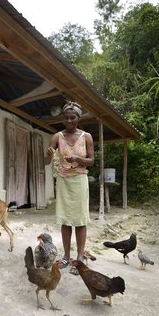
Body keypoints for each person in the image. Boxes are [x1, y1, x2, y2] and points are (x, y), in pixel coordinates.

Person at [44, 101, 94, 275]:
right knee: (65, 219)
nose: (69, 121)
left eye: (73, 118)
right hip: (64, 181)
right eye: (66, 118)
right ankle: (66, 256)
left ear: (79, 118)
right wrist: (49, 155)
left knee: (80, 220)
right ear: (62, 119)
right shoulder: (57, 137)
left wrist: (78, 159)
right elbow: (47, 161)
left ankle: (79, 257)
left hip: (80, 180)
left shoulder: (86, 136)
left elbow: (91, 161)